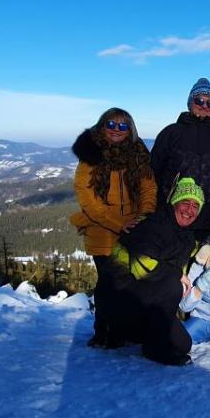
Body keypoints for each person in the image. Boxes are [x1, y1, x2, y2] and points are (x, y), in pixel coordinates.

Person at [70, 108, 158, 347]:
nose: (117, 130)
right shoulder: (91, 154)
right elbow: (88, 199)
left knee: (130, 282)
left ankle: (126, 330)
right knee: (108, 283)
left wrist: (145, 215)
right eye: (111, 124)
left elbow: (148, 188)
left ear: (130, 130)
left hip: (133, 228)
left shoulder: (138, 153)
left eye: (123, 125)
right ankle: (104, 332)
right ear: (102, 125)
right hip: (101, 229)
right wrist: (118, 223)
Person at [96, 177, 205, 365]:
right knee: (173, 285)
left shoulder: (185, 236)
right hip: (119, 296)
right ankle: (153, 347)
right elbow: (142, 266)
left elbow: (186, 254)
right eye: (185, 202)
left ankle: (138, 333)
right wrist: (178, 275)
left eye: (196, 206)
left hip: (144, 297)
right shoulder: (154, 225)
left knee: (183, 344)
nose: (190, 210)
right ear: (174, 203)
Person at [151, 77, 210, 242]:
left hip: (208, 222)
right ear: (190, 103)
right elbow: (152, 172)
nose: (204, 105)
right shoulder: (171, 133)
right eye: (199, 100)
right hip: (171, 218)